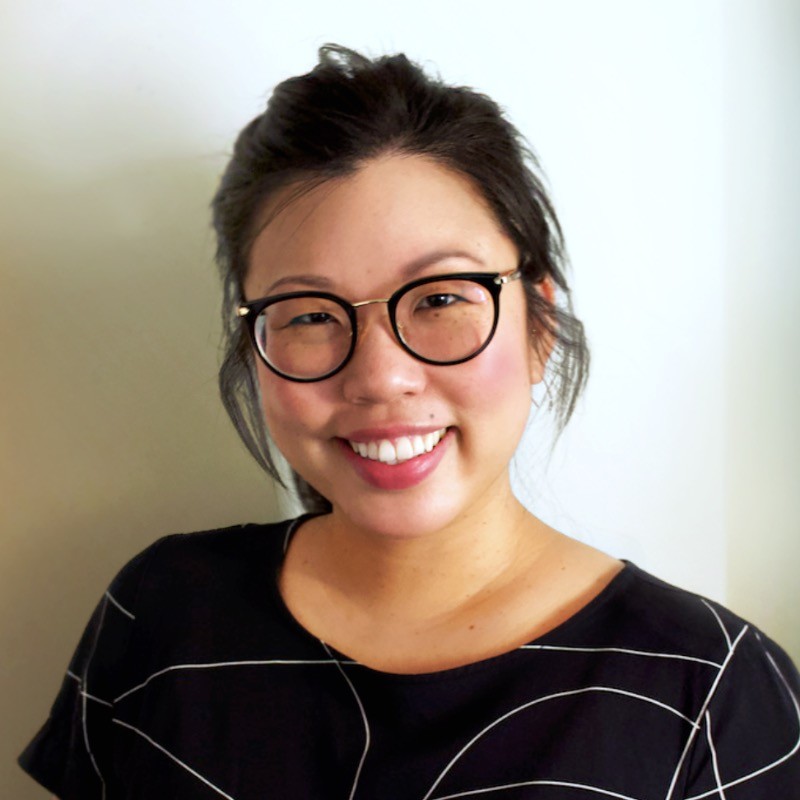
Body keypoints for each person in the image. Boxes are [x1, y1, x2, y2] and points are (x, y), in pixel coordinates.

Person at [19, 46, 800, 800]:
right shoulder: (161, 616)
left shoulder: (710, 691)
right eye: (310, 314)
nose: (380, 376)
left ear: (540, 327)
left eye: (441, 298)